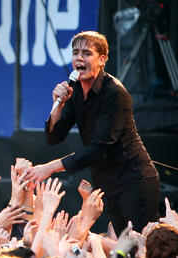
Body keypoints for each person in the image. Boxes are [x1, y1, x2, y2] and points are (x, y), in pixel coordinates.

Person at [23, 31, 159, 233]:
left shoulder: (114, 93)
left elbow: (98, 149)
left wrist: (50, 167)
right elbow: (54, 137)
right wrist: (58, 105)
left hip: (133, 181)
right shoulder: (76, 89)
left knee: (140, 247)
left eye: (86, 53)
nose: (79, 58)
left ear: (101, 59)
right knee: (125, 248)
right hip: (110, 184)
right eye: (75, 52)